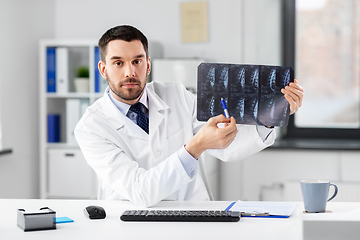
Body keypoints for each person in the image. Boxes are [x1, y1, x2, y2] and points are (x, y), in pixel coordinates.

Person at [75, 25, 304, 207]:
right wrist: (194, 147)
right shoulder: (91, 126)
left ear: (148, 65)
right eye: (118, 63)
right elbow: (140, 191)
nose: (130, 72)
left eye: (137, 61)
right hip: (130, 223)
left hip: (192, 216)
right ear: (103, 69)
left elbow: (226, 146)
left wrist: (270, 118)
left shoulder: (175, 94)